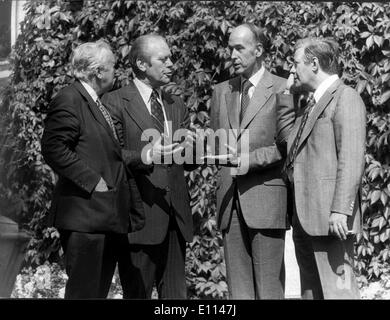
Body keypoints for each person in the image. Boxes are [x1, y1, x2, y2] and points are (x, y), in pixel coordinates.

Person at [41, 40, 144, 299]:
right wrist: (94, 181)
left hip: (102, 217)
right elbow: (54, 149)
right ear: (98, 71)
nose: (115, 72)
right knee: (85, 293)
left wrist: (145, 156)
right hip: (85, 218)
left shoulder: (93, 101)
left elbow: (108, 154)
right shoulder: (70, 99)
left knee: (96, 292)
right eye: (112, 66)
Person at [102, 34, 196, 299]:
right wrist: (147, 155)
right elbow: (110, 156)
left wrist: (194, 148)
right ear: (141, 64)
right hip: (138, 216)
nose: (171, 64)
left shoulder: (175, 104)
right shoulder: (114, 102)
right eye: (163, 59)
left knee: (176, 301)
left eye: (170, 58)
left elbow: (184, 162)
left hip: (175, 218)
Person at [208, 23, 293, 299]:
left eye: (239, 48)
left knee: (269, 289)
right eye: (230, 48)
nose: (232, 54)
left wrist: (246, 160)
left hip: (266, 200)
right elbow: (216, 142)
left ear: (258, 50)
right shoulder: (221, 91)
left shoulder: (283, 88)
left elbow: (287, 146)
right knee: (238, 292)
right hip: (229, 202)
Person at [284, 37, 366, 299]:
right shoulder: (310, 103)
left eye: (296, 63)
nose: (293, 70)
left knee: (338, 294)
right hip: (305, 219)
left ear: (314, 64)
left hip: (332, 222)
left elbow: (351, 158)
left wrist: (341, 210)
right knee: (312, 294)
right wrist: (288, 96)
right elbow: (287, 143)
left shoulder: (346, 97)